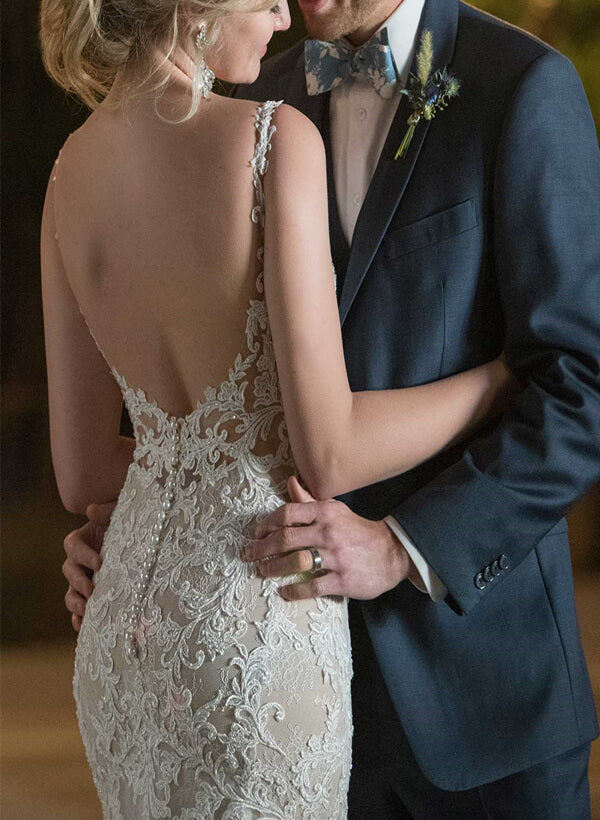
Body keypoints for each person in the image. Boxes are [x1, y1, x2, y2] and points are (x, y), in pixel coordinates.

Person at [41, 0, 518, 816]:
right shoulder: (271, 138)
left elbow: (83, 472)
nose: (281, 13)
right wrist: (495, 381)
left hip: (125, 637)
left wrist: (181, 486)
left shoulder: (68, 174)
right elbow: (328, 449)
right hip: (254, 620)